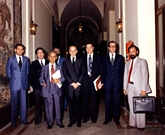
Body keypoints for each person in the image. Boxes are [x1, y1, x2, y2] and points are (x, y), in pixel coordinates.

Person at [123, 45, 151, 131]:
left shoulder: (142, 62)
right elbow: (125, 76)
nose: (131, 53)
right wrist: (124, 87)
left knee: (140, 106)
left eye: (133, 51)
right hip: (130, 86)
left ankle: (141, 125)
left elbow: (145, 75)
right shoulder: (127, 63)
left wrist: (143, 89)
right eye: (130, 51)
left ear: (137, 52)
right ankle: (132, 123)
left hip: (139, 87)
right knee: (131, 105)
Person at [6, 43, 30, 127]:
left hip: (23, 84)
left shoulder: (26, 59)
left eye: (22, 49)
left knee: (24, 103)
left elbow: (27, 71)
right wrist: (14, 79)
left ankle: (24, 120)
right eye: (18, 49)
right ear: (15, 50)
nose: (20, 50)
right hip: (14, 84)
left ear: (23, 51)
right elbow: (8, 72)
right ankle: (13, 122)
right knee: (14, 103)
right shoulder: (10, 59)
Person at [39, 51, 65, 129]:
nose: (52, 58)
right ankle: (49, 122)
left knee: (58, 106)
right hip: (47, 89)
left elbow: (64, 77)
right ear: (48, 57)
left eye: (54, 56)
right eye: (51, 56)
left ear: (56, 58)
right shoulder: (44, 67)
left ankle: (59, 121)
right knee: (48, 106)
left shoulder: (60, 67)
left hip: (57, 89)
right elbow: (41, 77)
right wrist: (42, 82)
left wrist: (59, 80)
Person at [102, 41, 124, 125]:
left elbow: (122, 71)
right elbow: (103, 71)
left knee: (116, 101)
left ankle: (116, 118)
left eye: (114, 46)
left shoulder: (120, 58)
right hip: (107, 83)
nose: (112, 48)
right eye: (111, 46)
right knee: (107, 101)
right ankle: (107, 118)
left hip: (117, 83)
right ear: (108, 47)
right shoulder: (104, 58)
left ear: (116, 47)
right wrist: (103, 82)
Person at [62, 45, 85, 127]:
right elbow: (65, 73)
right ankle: (72, 121)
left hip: (78, 86)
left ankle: (79, 120)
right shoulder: (65, 62)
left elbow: (83, 72)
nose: (72, 52)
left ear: (77, 51)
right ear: (68, 51)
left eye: (74, 50)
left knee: (79, 104)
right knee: (70, 104)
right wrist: (71, 82)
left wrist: (78, 83)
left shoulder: (81, 61)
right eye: (71, 50)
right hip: (70, 86)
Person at [82, 43, 104, 123]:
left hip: (95, 82)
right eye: (87, 48)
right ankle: (85, 117)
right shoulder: (82, 58)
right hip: (85, 82)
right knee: (85, 100)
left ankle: (94, 118)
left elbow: (101, 69)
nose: (88, 49)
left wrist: (102, 81)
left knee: (94, 100)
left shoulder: (98, 57)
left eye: (90, 47)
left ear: (93, 48)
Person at [29, 47, 49, 125]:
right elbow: (30, 76)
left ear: (44, 54)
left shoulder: (48, 62)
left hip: (47, 87)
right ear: (36, 55)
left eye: (41, 52)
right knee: (37, 103)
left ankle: (47, 118)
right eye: (38, 53)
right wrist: (34, 85)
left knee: (47, 103)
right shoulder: (34, 63)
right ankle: (38, 118)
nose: (40, 54)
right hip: (37, 87)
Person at [53, 47, 67, 111]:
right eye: (54, 51)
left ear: (59, 52)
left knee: (63, 94)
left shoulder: (64, 60)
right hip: (54, 81)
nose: (56, 52)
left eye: (57, 51)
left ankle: (64, 107)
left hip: (62, 80)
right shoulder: (51, 60)